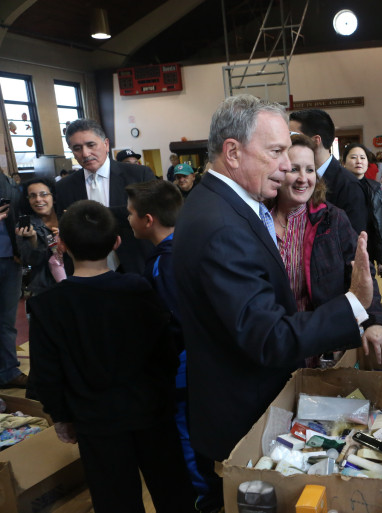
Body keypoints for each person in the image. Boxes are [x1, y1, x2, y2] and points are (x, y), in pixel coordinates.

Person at [173, 95, 374, 463]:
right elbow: (269, 337)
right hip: (242, 415)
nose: (286, 166)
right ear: (232, 152)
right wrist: (354, 303)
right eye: (277, 152)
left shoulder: (225, 205)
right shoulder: (221, 225)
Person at [28, 199, 196, 513]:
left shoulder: (48, 305)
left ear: (61, 244)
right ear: (117, 241)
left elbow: (47, 372)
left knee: (114, 498)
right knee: (172, 489)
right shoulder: (138, 288)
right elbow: (167, 350)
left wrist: (61, 416)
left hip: (95, 420)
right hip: (152, 410)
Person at [125, 180, 219, 512]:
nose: (128, 219)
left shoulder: (164, 262)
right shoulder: (193, 246)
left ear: (148, 219)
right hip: (204, 362)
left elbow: (174, 321)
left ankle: (204, 497)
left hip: (184, 366)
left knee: (188, 437)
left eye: (131, 213)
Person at [269, 135, 382, 365]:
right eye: (294, 169)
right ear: (278, 172)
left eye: (309, 170)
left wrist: (374, 322)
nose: (303, 179)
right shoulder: (260, 220)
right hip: (273, 344)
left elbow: (360, 272)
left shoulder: (332, 218)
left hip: (320, 344)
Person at [56, 119, 156, 275]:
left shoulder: (138, 175)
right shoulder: (64, 187)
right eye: (77, 148)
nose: (85, 154)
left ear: (106, 144)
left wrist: (93, 215)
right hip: (88, 273)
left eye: (91, 145)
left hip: (137, 266)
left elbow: (150, 216)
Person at [288, 109, 368, 235]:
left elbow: (353, 239)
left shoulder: (348, 185)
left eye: (292, 134)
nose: (288, 140)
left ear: (315, 140)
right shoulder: (292, 177)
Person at [341, 143, 382, 277]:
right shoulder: (339, 188)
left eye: (362, 158)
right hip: (346, 252)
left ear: (368, 162)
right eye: (354, 157)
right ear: (343, 163)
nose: (359, 161)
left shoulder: (374, 187)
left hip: (369, 249)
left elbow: (380, 224)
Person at [0, 172, 25, 389]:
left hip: (10, 258)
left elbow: (17, 213)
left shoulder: (6, 181)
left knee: (7, 320)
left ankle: (9, 371)